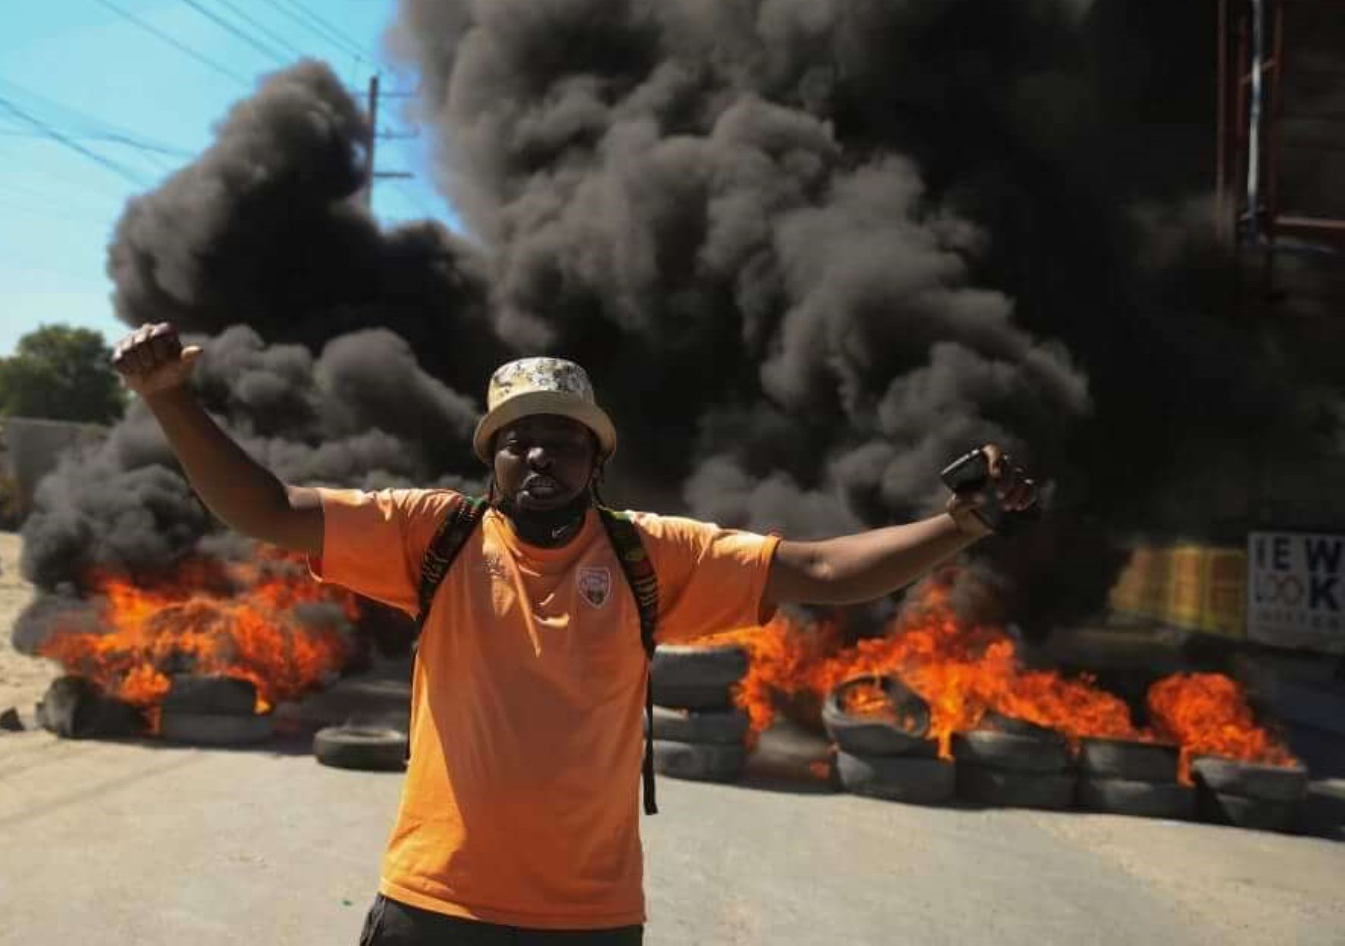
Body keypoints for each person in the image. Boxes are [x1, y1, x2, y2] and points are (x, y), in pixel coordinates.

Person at [112, 322, 1039, 945]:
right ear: (492, 457)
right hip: (434, 902)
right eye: (518, 439)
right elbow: (269, 510)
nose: (539, 454)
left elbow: (827, 572)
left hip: (587, 921)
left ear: (597, 457)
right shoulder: (428, 537)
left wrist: (961, 525)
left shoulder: (654, 556)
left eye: (562, 438)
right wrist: (170, 401)